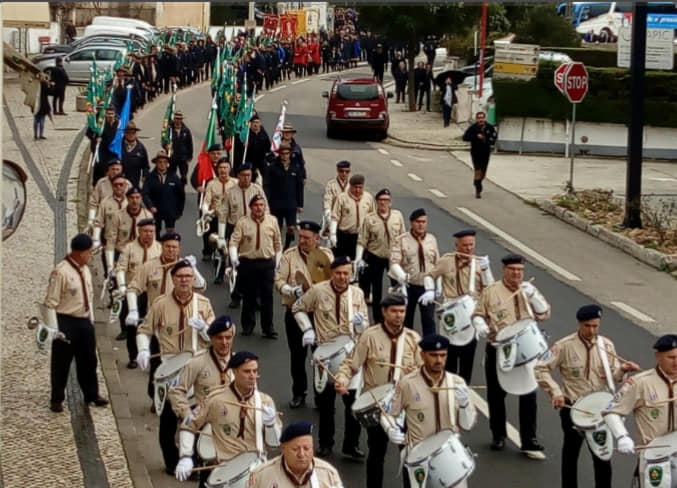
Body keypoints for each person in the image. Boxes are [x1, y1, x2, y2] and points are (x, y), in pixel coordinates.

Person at [535, 304, 641, 488]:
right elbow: (540, 368)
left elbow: (613, 378)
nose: (592, 330)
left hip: (600, 410)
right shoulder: (564, 346)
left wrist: (623, 370)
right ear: (579, 324)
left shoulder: (606, 345)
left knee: (603, 455)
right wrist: (556, 392)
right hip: (573, 406)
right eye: (588, 326)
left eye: (595, 326)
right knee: (571, 452)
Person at [136, 259, 216, 475]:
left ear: (193, 279)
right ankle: (171, 462)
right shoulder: (160, 304)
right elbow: (145, 329)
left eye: (188, 276)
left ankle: (198, 461)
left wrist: (204, 329)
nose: (184, 280)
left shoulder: (203, 304)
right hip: (171, 366)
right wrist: (143, 349)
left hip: (198, 367)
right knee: (169, 418)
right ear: (173, 279)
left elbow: (216, 339)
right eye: (180, 276)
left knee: (199, 415)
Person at [335, 293, 422, 488]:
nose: (399, 316)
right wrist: (342, 378)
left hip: (405, 406)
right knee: (376, 453)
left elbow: (423, 372)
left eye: (402, 311)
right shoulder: (370, 336)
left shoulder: (413, 339)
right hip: (377, 406)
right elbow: (351, 363)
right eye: (394, 311)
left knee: (410, 453)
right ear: (384, 312)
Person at [472, 253, 550, 458]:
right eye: (512, 270)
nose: (517, 274)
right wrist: (480, 325)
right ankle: (498, 435)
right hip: (500, 347)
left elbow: (545, 314)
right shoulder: (491, 292)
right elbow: (479, 314)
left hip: (526, 348)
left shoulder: (528, 290)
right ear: (504, 270)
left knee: (529, 394)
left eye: (520, 270)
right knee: (496, 395)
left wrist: (533, 297)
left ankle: (529, 439)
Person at [292, 256, 368, 459]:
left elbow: (365, 327)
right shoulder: (318, 291)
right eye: (338, 273)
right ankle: (326, 442)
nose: (342, 277)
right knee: (326, 403)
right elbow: (297, 308)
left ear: (351, 274)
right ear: (332, 273)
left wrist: (360, 325)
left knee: (353, 402)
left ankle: (351, 444)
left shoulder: (357, 294)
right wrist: (307, 329)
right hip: (324, 351)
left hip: (350, 352)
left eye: (346, 273)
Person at [387, 334, 477, 488]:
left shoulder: (456, 383)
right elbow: (390, 413)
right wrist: (390, 428)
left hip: (450, 457)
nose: (439, 360)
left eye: (443, 355)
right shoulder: (407, 384)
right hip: (419, 459)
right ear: (422, 355)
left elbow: (467, 425)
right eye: (433, 355)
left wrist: (465, 404)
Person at [175, 351, 282, 482]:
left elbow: (275, 444)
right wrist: (185, 456)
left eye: (255, 371)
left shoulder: (265, 402)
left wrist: (271, 425)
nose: (252, 376)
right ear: (235, 372)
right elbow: (189, 424)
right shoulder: (215, 400)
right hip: (224, 471)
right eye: (247, 371)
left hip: (255, 471)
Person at [44, 233, 108, 412]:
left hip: (84, 321)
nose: (90, 256)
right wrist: (53, 329)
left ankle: (91, 394)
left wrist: (91, 320)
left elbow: (89, 295)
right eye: (89, 253)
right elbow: (50, 302)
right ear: (80, 253)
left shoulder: (84, 269)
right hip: (66, 321)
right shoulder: (61, 272)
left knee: (88, 360)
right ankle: (57, 398)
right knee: (61, 362)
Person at [602, 334, 677, 486]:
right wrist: (622, 436)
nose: (676, 362)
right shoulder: (640, 383)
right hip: (654, 456)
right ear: (658, 356)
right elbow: (611, 412)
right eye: (671, 357)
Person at [275, 220, 333, 409]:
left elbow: (333, 283)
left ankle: (321, 395)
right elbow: (278, 280)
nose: (303, 241)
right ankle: (299, 392)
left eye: (307, 238)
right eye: (301, 237)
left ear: (317, 238)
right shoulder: (289, 256)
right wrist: (291, 290)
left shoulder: (326, 256)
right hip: (295, 313)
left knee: (320, 356)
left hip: (319, 316)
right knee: (297, 357)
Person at [424, 229, 494, 384]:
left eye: (471, 245)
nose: (468, 249)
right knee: (448, 359)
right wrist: (430, 291)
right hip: (450, 315)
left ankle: (463, 393)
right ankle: (446, 391)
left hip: (471, 316)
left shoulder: (479, 263)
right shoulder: (446, 260)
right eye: (464, 245)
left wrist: (486, 270)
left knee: (467, 361)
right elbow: (430, 276)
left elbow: (490, 290)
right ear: (457, 245)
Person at [228, 194, 282, 338]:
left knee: (267, 296)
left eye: (261, 205)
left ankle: (267, 328)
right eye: (256, 205)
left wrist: (277, 263)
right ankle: (247, 326)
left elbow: (278, 244)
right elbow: (234, 242)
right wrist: (234, 257)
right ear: (251, 207)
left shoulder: (272, 221)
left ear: (265, 206)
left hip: (266, 263)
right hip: (248, 263)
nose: (259, 208)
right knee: (249, 295)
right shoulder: (243, 222)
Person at [168, 315, 236, 424]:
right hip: (204, 422)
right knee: (186, 439)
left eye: (228, 337)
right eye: (219, 337)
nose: (224, 342)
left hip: (232, 423)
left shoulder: (241, 364)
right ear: (211, 339)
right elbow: (176, 390)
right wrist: (187, 414)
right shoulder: (198, 361)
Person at [114, 218, 162, 368]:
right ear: (139, 231)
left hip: (153, 292)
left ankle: (151, 354)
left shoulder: (159, 248)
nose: (149, 234)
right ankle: (133, 356)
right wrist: (122, 286)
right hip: (134, 292)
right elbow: (120, 268)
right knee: (133, 325)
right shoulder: (128, 249)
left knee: (152, 325)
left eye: (152, 231)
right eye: (146, 231)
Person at [355, 188, 406, 323]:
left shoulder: (397, 216)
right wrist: (358, 259)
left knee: (398, 286)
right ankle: (378, 319)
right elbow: (362, 239)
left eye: (386, 200)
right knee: (377, 290)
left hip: (393, 258)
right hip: (375, 255)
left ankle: (397, 316)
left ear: (390, 202)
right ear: (377, 202)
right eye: (381, 200)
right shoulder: (369, 218)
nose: (384, 203)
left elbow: (403, 237)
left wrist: (404, 256)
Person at [247, 421, 344, 488]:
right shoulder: (261, 475)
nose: (301, 454)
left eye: (306, 448)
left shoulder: (328, 474)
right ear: (283, 449)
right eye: (295, 449)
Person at [389, 208, 439, 337]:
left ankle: (430, 350)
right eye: (418, 222)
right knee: (406, 319)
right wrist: (401, 275)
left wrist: (437, 287)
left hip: (427, 286)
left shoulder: (431, 239)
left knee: (429, 320)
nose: (421, 224)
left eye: (423, 222)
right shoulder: (401, 240)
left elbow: (437, 264)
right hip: (409, 285)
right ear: (411, 223)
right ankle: (407, 348)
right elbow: (394, 262)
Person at [200, 156, 237, 276]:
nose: (223, 170)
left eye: (226, 167)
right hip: (216, 219)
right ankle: (219, 273)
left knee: (232, 246)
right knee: (219, 247)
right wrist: (205, 210)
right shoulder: (212, 184)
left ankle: (232, 269)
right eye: (221, 167)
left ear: (230, 169)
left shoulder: (236, 183)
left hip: (232, 220)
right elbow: (206, 201)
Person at [264, 143, 304, 250]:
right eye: (282, 153)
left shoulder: (295, 168)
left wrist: (300, 204)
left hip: (291, 203)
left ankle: (287, 245)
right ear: (279, 154)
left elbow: (299, 186)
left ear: (290, 154)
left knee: (291, 228)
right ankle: (278, 247)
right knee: (277, 228)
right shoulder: (272, 167)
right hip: (276, 203)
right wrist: (266, 200)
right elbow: (267, 184)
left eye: (287, 153)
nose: (285, 156)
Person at [329, 174, 374, 259]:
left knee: (358, 263)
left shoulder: (368, 198)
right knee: (340, 262)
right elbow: (335, 217)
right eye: (355, 187)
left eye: (360, 187)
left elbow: (372, 217)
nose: (357, 190)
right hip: (344, 236)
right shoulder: (342, 198)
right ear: (350, 186)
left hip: (361, 237)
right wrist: (333, 234)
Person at [142, 150, 185, 235]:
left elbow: (181, 195)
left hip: (170, 211)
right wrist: (150, 206)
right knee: (155, 232)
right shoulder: (150, 177)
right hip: (155, 210)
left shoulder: (174, 177)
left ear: (167, 163)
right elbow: (145, 193)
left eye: (164, 162)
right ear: (156, 163)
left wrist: (179, 211)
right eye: (160, 162)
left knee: (170, 233)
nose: (162, 164)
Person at [87, 159, 131, 231]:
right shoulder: (101, 183)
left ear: (121, 170)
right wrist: (91, 220)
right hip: (104, 222)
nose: (115, 172)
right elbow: (93, 203)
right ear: (108, 170)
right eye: (113, 169)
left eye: (117, 169)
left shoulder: (128, 185)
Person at [462, 111, 498, 199]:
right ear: (477, 119)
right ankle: (478, 189)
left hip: (485, 152)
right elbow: (465, 137)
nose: (481, 119)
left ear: (484, 118)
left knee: (483, 172)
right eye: (479, 118)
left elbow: (494, 138)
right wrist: (475, 137)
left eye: (482, 118)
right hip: (475, 152)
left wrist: (487, 139)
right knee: (477, 170)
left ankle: (477, 181)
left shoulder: (490, 127)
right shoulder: (473, 128)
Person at [233, 114, 270, 181]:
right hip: (249, 162)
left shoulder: (264, 135)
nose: (256, 124)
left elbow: (268, 147)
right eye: (254, 122)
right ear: (250, 124)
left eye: (257, 122)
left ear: (260, 123)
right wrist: (243, 145)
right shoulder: (246, 134)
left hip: (261, 163)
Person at [322, 161, 351, 235]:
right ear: (337, 171)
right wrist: (328, 213)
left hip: (348, 217)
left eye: (347, 171)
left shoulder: (352, 185)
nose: (344, 174)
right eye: (342, 171)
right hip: (335, 216)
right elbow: (328, 199)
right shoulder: (331, 184)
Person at [166, 111, 193, 184]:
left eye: (180, 119)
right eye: (176, 118)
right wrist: (166, 146)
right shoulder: (169, 130)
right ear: (174, 119)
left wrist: (190, 156)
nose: (178, 120)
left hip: (183, 157)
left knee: (184, 176)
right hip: (172, 157)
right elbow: (164, 141)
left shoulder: (186, 130)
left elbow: (189, 144)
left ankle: (182, 190)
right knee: (171, 175)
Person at [121, 121, 150, 188]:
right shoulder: (118, 146)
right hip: (120, 180)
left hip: (134, 180)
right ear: (125, 133)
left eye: (133, 133)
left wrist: (145, 175)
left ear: (136, 133)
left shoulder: (141, 148)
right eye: (128, 132)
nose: (130, 135)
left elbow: (146, 166)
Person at [34, 73, 52, 140]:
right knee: (42, 120)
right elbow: (50, 92)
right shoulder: (44, 84)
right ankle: (41, 135)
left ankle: (35, 135)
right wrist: (50, 85)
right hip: (42, 104)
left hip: (35, 104)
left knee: (36, 120)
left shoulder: (35, 83)